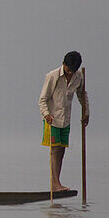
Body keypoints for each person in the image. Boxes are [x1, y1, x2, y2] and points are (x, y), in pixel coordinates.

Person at [39, 50, 89, 192]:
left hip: (66, 119)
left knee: (61, 150)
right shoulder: (52, 76)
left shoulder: (78, 76)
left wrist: (86, 113)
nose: (69, 74)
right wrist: (46, 114)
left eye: (72, 71)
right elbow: (42, 99)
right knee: (54, 150)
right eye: (67, 70)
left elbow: (82, 95)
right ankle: (55, 184)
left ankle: (57, 183)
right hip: (52, 119)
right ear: (63, 64)